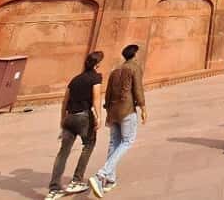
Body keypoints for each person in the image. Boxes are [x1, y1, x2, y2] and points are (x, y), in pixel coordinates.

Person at [89, 44, 147, 198]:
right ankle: (101, 175)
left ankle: (110, 180)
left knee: (114, 142)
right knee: (127, 141)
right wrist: (143, 108)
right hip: (126, 110)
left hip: (113, 110)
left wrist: (107, 110)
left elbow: (107, 94)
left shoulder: (115, 71)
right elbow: (138, 90)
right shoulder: (134, 68)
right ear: (134, 55)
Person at [45, 51, 104, 200]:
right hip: (83, 117)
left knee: (63, 153)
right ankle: (76, 181)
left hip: (69, 117)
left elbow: (65, 102)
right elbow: (96, 98)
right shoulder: (95, 78)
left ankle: (54, 189)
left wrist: (62, 120)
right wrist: (99, 117)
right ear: (97, 65)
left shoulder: (75, 80)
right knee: (89, 145)